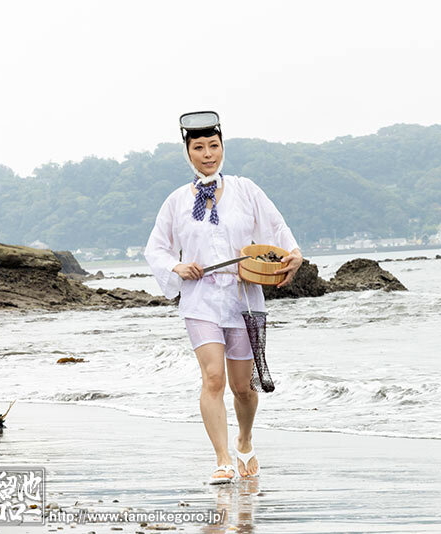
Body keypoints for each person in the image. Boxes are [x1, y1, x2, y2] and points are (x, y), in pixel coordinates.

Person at [144, 111, 303, 485]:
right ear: (188, 153)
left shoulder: (246, 190)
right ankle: (222, 459)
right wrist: (177, 267)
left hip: (244, 297)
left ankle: (244, 440)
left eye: (213, 146)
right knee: (213, 378)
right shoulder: (176, 201)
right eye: (198, 147)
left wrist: (293, 253)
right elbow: (156, 248)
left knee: (242, 388)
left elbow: (276, 226)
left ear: (222, 148)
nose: (207, 154)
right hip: (200, 300)